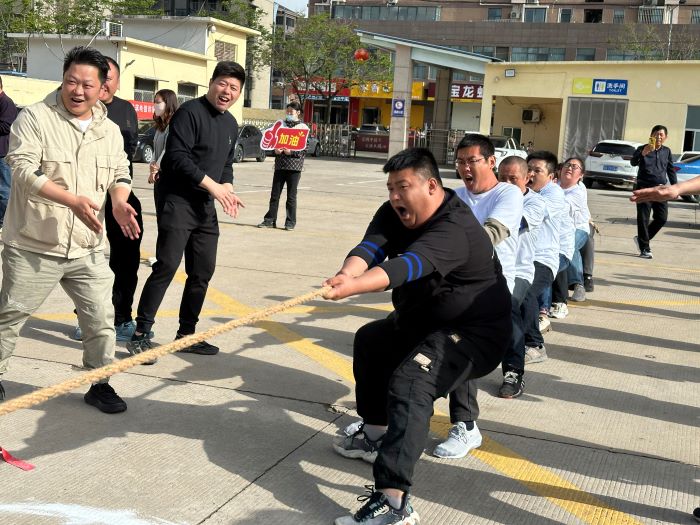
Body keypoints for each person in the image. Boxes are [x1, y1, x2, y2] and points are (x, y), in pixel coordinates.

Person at [326, 148, 511, 525]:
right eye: (391, 188)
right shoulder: (394, 211)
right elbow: (371, 247)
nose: (395, 196)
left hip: (473, 333)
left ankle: (393, 504)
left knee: (412, 382)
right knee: (371, 341)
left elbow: (407, 266)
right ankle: (375, 435)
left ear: (431, 186)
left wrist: (355, 287)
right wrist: (347, 273)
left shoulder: (454, 226)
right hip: (423, 320)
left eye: (403, 187)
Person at [0, 46, 139, 412]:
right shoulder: (34, 117)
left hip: (87, 246)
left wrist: (119, 200)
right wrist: (70, 200)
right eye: (70, 82)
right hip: (33, 244)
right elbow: (22, 168)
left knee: (101, 321)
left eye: (87, 85)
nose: (77, 91)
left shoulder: (109, 130)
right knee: (10, 316)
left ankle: (99, 383)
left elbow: (120, 172)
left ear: (103, 88)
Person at [127, 61, 246, 358]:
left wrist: (227, 187)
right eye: (222, 84)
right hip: (178, 201)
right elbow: (177, 158)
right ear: (212, 83)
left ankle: (186, 335)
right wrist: (214, 187)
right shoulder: (189, 113)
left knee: (202, 271)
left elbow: (226, 164)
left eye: (234, 88)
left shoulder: (231, 123)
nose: (227, 91)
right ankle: (141, 333)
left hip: (204, 206)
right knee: (167, 265)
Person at [433, 135, 523, 460]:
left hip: (491, 290)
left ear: (491, 161)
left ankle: (466, 425)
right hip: (454, 287)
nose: (465, 168)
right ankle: (380, 419)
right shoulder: (454, 196)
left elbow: (489, 236)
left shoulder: (508, 194)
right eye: (460, 162)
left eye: (472, 161)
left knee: (460, 345)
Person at [71, 56, 144, 343]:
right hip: (87, 196)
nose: (102, 85)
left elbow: (129, 151)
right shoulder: (79, 111)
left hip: (121, 194)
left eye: (108, 78)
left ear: (114, 82)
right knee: (86, 261)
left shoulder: (126, 109)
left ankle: (123, 317)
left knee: (127, 259)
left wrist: (120, 195)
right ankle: (86, 319)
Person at [522, 151, 568, 364]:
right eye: (528, 169)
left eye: (537, 171)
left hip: (543, 259)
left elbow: (534, 214)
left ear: (551, 177)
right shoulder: (521, 190)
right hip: (520, 257)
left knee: (525, 291)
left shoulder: (554, 193)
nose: (531, 174)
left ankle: (535, 345)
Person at [258, 101, 307, 231]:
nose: (289, 113)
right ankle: (269, 220)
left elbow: (304, 149)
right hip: (280, 166)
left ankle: (290, 222)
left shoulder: (302, 128)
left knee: (291, 196)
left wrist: (292, 152)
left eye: (292, 111)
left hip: (294, 168)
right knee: (275, 195)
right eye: (288, 111)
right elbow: (271, 143)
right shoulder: (280, 126)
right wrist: (275, 150)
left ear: (298, 113)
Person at [630, 124, 676, 259]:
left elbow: (670, 170)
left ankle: (642, 239)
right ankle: (645, 248)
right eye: (656, 134)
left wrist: (675, 187)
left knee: (662, 218)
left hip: (661, 189)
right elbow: (633, 162)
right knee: (643, 218)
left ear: (666, 137)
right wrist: (643, 153)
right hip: (644, 188)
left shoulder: (667, 151)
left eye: (661, 134)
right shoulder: (642, 148)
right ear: (651, 135)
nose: (658, 137)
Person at [554, 157, 590, 305]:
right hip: (556, 229)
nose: (569, 168)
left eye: (575, 167)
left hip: (578, 228)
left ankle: (578, 284)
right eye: (567, 165)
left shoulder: (578, 191)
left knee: (570, 244)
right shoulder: (553, 185)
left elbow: (560, 206)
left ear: (581, 175)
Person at [148, 88, 179, 206]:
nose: (155, 105)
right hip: (158, 176)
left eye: (158, 102)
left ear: (168, 104)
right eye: (154, 102)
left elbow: (168, 149)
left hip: (169, 177)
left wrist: (156, 168)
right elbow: (156, 149)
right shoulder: (160, 127)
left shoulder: (174, 125)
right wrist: (152, 165)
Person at [0, 76, 18, 229]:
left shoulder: (6, 103)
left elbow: (7, 126)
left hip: (2, 154)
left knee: (4, 190)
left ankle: (3, 221)